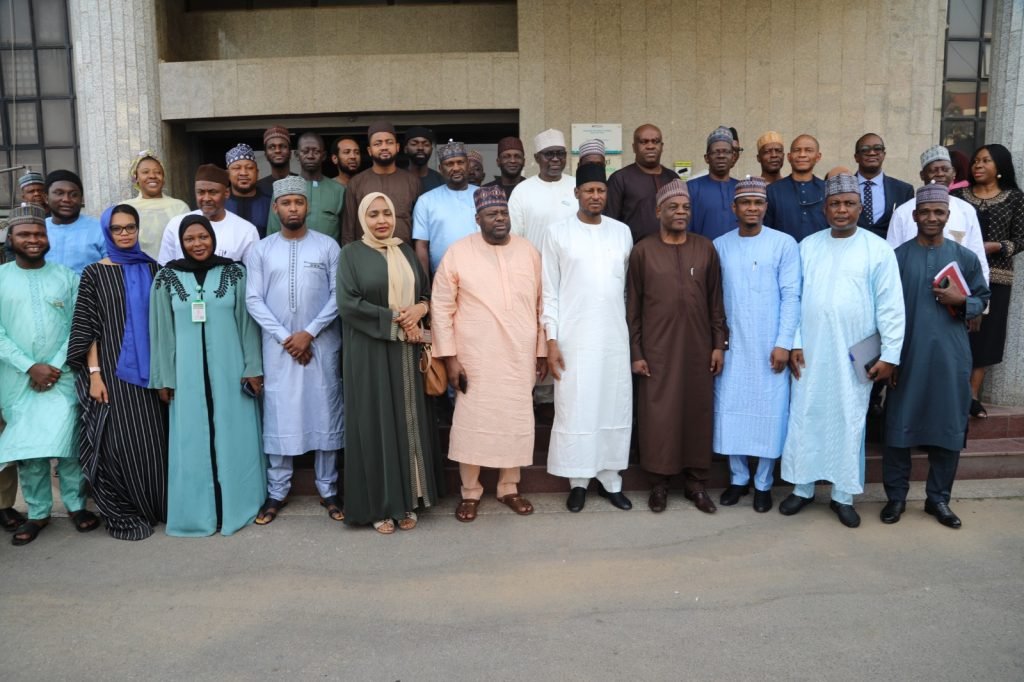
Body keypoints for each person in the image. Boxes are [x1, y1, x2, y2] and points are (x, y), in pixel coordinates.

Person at [779, 174, 905, 528]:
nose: (841, 210)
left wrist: (889, 356)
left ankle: (842, 495)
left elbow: (891, 307)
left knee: (849, 419)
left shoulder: (877, 249)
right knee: (806, 414)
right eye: (835, 203)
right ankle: (802, 488)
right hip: (812, 350)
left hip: (856, 351)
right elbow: (795, 298)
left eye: (849, 203)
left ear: (860, 208)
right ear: (824, 208)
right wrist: (795, 342)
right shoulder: (808, 245)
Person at [431, 185, 547, 522]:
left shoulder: (528, 252)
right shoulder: (458, 252)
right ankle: (470, 492)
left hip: (519, 356)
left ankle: (509, 487)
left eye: (504, 213)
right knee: (472, 424)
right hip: (474, 358)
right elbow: (441, 307)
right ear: (477, 218)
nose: (500, 219)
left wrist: (541, 350)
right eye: (492, 214)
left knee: (514, 420)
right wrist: (450, 357)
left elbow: (543, 303)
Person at [149, 215, 265, 537]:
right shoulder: (166, 278)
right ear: (181, 242)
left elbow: (247, 325)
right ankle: (198, 513)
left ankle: (237, 507)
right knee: (192, 440)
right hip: (186, 378)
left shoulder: (234, 273)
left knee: (233, 437)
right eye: (190, 239)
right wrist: (164, 378)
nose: (198, 244)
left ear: (213, 238)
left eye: (203, 237)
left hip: (231, 375)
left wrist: (253, 368)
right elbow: (160, 332)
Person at [883, 183, 990, 529]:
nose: (931, 217)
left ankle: (938, 499)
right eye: (925, 212)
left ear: (947, 216)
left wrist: (964, 302)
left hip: (950, 356)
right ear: (914, 216)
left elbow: (983, 298)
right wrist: (890, 358)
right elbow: (883, 311)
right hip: (908, 355)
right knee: (899, 427)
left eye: (938, 212)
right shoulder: (897, 257)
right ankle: (896, 497)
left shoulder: (965, 257)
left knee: (948, 428)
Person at [337, 192, 444, 534]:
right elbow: (348, 304)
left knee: (407, 420)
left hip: (407, 351)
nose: (382, 220)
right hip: (369, 352)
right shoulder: (351, 255)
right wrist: (395, 318)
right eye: (373, 215)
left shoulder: (407, 252)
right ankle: (380, 506)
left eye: (387, 213)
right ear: (362, 219)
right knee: (375, 423)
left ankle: (409, 500)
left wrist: (420, 311)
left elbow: (426, 294)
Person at [0, 203, 101, 545]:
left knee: (68, 444)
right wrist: (30, 366)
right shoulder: (1, 278)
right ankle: (39, 512)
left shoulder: (66, 277)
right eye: (25, 234)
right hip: (17, 379)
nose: (33, 239)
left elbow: (79, 325)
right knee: (30, 450)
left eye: (39, 233)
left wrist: (54, 366)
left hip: (62, 375)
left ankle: (75, 505)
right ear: (10, 238)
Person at [246, 177, 344, 525]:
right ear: (276, 208)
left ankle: (328, 488)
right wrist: (287, 337)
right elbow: (253, 299)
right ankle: (277, 491)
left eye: (298, 203)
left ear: (307, 207)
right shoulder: (260, 249)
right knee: (280, 413)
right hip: (278, 349)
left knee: (325, 411)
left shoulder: (328, 247)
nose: (292, 208)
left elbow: (338, 296)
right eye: (286, 203)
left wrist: (310, 333)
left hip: (321, 345)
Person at [67, 204, 168, 541]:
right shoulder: (93, 273)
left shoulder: (153, 268)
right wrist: (94, 375)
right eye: (117, 228)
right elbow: (88, 328)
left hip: (151, 372)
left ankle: (156, 505)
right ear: (107, 233)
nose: (125, 233)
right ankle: (125, 507)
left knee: (153, 440)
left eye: (130, 227)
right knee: (116, 443)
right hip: (110, 370)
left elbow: (164, 324)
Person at [628, 179, 728, 513]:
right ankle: (659, 484)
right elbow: (633, 307)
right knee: (659, 415)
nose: (681, 212)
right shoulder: (643, 250)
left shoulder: (705, 248)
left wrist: (719, 344)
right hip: (656, 350)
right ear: (659, 211)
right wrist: (637, 352)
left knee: (696, 412)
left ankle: (696, 484)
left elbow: (716, 300)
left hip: (699, 348)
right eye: (673, 207)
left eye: (686, 207)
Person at [542, 164, 633, 512]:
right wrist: (551, 341)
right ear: (576, 193)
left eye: (601, 191)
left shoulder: (622, 232)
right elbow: (549, 291)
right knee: (576, 407)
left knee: (612, 404)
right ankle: (578, 481)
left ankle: (611, 481)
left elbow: (626, 291)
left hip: (613, 336)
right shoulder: (557, 233)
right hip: (573, 338)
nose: (595, 196)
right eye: (589, 190)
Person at [713, 177, 800, 513]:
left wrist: (783, 343)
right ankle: (738, 479)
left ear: (766, 207)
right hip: (733, 345)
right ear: (734, 208)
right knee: (731, 409)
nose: (752, 208)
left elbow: (792, 296)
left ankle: (763, 482)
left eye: (758, 203)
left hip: (770, 345)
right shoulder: (720, 244)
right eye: (745, 203)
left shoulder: (784, 244)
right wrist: (718, 343)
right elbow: (715, 299)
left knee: (769, 412)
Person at [953, 144, 1024, 418]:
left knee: (986, 335)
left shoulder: (1015, 199)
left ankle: (972, 395)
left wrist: (997, 246)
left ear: (1000, 167)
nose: (978, 166)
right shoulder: (957, 196)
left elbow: (1021, 239)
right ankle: (954, 389)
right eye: (975, 161)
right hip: (959, 276)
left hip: (997, 277)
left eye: (986, 161)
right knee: (956, 329)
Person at [886, 145, 989, 284]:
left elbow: (977, 256)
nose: (940, 174)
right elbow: (891, 258)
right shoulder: (902, 212)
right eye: (934, 170)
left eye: (945, 169)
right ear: (922, 175)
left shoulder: (966, 210)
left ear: (953, 174)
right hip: (912, 287)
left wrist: (978, 296)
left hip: (955, 293)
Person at [158, 164, 259, 265]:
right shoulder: (176, 224)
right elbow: (164, 268)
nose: (206, 198)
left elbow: (252, 274)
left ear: (227, 193)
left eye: (213, 192)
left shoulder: (246, 231)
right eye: (201, 192)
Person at [341, 122, 422, 245]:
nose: (384, 147)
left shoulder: (412, 182)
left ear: (397, 147)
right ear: (369, 150)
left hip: (404, 256)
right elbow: (348, 230)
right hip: (367, 257)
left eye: (389, 142)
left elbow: (420, 230)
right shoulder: (356, 183)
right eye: (378, 143)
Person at [412, 141, 479, 276]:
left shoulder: (483, 196)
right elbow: (421, 246)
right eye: (449, 164)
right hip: (442, 276)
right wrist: (426, 288)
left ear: (468, 165)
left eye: (460, 162)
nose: (456, 168)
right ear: (440, 169)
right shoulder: (426, 201)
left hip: (481, 274)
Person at [605, 123, 678, 243]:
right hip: (634, 253)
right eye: (644, 142)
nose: (650, 146)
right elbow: (610, 222)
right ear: (634, 147)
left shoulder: (672, 178)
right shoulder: (620, 178)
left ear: (662, 146)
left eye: (655, 141)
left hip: (670, 251)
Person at [267, 132, 346, 242]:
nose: (310, 156)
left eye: (316, 151)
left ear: (323, 156)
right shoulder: (283, 188)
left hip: (328, 257)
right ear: (297, 155)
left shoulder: (339, 190)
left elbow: (346, 234)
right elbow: (273, 232)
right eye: (305, 151)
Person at [508, 128, 576, 249]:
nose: (555, 159)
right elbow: (513, 235)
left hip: (572, 265)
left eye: (560, 153)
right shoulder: (522, 190)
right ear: (537, 158)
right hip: (536, 264)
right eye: (549, 154)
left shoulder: (577, 186)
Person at [124, 151, 190, 260]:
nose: (153, 176)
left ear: (163, 178)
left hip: (173, 272)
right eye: (145, 172)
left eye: (158, 172)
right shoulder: (126, 209)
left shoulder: (179, 207)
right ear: (136, 177)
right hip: (138, 271)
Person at [765, 134, 828, 242]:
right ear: (789, 157)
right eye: (797, 150)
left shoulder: (828, 189)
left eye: (808, 150)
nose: (802, 155)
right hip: (783, 256)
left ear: (818, 157)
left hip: (821, 256)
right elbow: (766, 231)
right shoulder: (772, 191)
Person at [853, 133, 915, 240]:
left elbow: (907, 227)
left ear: (884, 154)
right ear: (856, 157)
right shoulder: (843, 188)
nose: (872, 153)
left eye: (877, 148)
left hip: (890, 252)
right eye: (865, 149)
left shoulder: (904, 191)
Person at [44, 170, 105, 274]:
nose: (66, 199)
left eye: (74, 194)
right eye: (59, 193)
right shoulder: (37, 229)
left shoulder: (100, 229)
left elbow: (112, 270)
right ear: (46, 198)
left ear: (81, 199)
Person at [687, 126, 739, 240]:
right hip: (702, 255)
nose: (721, 156)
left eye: (726, 152)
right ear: (707, 158)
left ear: (733, 157)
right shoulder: (691, 188)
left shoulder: (741, 189)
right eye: (716, 152)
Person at [224, 143, 272, 238]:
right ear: (227, 174)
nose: (243, 173)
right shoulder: (219, 202)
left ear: (257, 173)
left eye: (249, 168)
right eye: (237, 168)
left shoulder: (270, 203)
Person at [256, 125, 295, 197]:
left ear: (290, 152)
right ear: (265, 155)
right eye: (272, 147)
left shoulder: (302, 182)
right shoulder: (257, 188)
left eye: (282, 146)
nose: (277, 150)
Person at [404, 126, 445, 192]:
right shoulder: (398, 179)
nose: (420, 148)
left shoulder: (441, 181)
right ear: (405, 149)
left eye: (426, 144)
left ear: (431, 150)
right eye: (414, 144)